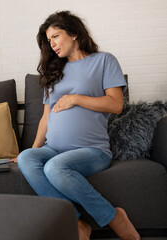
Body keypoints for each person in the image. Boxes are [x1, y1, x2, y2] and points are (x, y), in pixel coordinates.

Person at [15, 11, 140, 240]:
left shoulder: (104, 61)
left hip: (92, 150)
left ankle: (113, 216)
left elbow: (116, 105)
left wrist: (76, 98)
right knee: (26, 159)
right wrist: (32, 149)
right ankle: (77, 222)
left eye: (55, 36)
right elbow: (46, 117)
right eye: (48, 40)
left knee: (55, 168)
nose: (51, 44)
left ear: (73, 33)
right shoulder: (53, 72)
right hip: (54, 148)